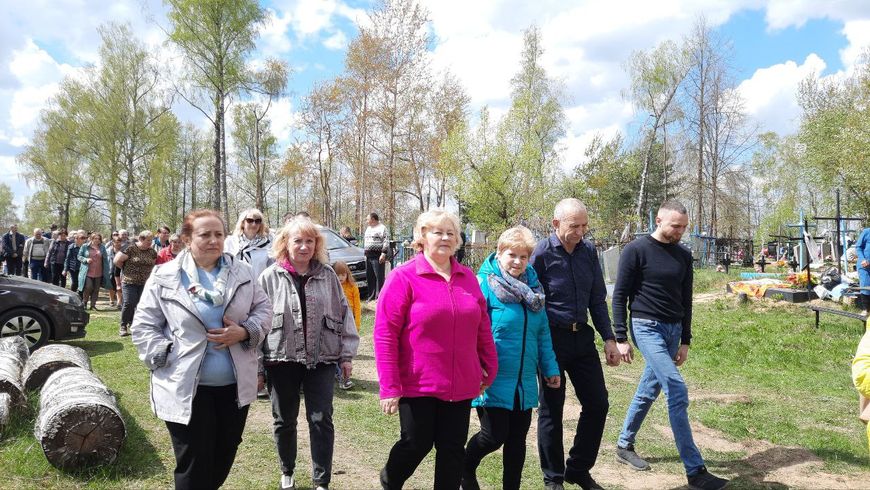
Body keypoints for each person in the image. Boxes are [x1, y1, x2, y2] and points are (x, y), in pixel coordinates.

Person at [132, 209, 272, 490]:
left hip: (234, 388)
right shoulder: (164, 275)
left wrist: (245, 331)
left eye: (218, 234)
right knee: (194, 462)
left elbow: (264, 309)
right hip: (185, 386)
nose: (213, 240)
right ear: (187, 239)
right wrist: (168, 353)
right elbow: (144, 325)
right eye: (205, 234)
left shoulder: (242, 272)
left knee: (224, 453)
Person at [375, 209, 498, 490]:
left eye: (450, 233)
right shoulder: (403, 277)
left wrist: (489, 367)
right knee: (416, 444)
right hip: (418, 382)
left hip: (460, 381)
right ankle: (390, 478)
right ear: (422, 237)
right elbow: (385, 334)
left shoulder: (468, 278)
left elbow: (482, 326)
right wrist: (390, 386)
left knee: (452, 450)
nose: (444, 238)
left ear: (457, 240)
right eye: (437, 232)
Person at [611, 201, 728, 490]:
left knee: (649, 389)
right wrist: (621, 337)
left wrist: (685, 340)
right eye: (675, 226)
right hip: (645, 326)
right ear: (659, 221)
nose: (680, 231)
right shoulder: (636, 250)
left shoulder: (683, 255)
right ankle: (695, 470)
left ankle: (624, 444)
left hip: (673, 329)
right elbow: (619, 295)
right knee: (675, 387)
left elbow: (686, 300)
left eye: (684, 227)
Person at [258, 216, 359, 490]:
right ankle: (287, 471)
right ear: (285, 243)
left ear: (317, 244)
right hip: (281, 360)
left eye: (310, 241)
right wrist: (257, 368)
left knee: (321, 419)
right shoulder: (269, 277)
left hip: (322, 359)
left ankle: (321, 481)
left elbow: (344, 316)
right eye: (298, 241)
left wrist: (346, 356)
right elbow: (258, 324)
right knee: (284, 420)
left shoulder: (328, 276)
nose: (304, 247)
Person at [463, 226, 560, 490]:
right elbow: (471, 331)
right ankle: (464, 468)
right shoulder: (484, 285)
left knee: (517, 441)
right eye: (511, 255)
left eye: (523, 256)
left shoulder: (534, 290)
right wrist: (476, 367)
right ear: (499, 253)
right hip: (492, 377)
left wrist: (550, 368)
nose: (517, 261)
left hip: (524, 380)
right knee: (493, 437)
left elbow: (542, 334)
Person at [533, 198, 620, 490]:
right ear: (556, 224)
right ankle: (553, 478)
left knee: (598, 403)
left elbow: (597, 298)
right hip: (551, 340)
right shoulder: (541, 254)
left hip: (581, 337)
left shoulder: (588, 252)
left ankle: (578, 469)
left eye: (584, 226)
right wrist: (538, 346)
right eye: (574, 226)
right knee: (551, 410)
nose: (580, 232)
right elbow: (532, 300)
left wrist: (609, 338)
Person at [115, 230, 158, 337]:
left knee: (139, 304)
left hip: (144, 282)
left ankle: (134, 323)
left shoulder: (152, 252)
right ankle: (123, 325)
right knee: (129, 303)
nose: (150, 243)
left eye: (151, 240)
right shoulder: (130, 248)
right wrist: (125, 269)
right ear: (141, 239)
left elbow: (153, 265)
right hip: (129, 281)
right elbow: (117, 260)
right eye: (148, 240)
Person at [332, 260, 361, 390]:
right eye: (338, 275)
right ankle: (339, 375)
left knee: (346, 349)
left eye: (343, 274)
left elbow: (358, 307)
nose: (340, 278)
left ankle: (345, 377)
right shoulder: (331, 287)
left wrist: (357, 324)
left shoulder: (352, 287)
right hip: (334, 323)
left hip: (349, 322)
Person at [224, 209, 273, 280]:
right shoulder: (230, 242)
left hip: (260, 284)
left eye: (257, 221)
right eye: (250, 220)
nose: (254, 224)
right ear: (242, 223)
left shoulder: (268, 244)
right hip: (236, 284)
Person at [78, 232, 111, 310]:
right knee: (88, 287)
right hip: (87, 271)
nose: (97, 240)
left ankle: (93, 305)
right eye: (95, 238)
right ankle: (84, 302)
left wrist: (107, 270)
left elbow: (105, 260)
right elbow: (79, 256)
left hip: (99, 272)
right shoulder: (85, 246)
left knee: (96, 289)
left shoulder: (102, 247)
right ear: (91, 239)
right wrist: (86, 259)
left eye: (99, 239)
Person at [363, 212, 389, 301]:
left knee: (379, 277)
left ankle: (379, 297)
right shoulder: (368, 228)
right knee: (370, 276)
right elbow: (366, 242)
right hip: (368, 256)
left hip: (377, 256)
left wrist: (383, 253)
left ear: (373, 219)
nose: (366, 221)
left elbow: (386, 241)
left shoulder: (382, 228)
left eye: (367, 219)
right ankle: (371, 295)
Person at [65, 231, 86, 296]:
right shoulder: (71, 247)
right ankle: (72, 296)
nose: (83, 239)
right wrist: (65, 269)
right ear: (76, 239)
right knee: (75, 283)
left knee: (82, 283)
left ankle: (80, 298)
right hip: (73, 268)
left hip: (83, 268)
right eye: (81, 238)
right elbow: (67, 258)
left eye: (83, 238)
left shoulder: (86, 247)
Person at [856, 227, 870, 315]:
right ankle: (865, 309)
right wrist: (862, 259)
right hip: (865, 266)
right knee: (865, 286)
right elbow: (858, 247)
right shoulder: (866, 232)